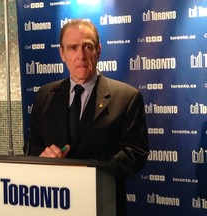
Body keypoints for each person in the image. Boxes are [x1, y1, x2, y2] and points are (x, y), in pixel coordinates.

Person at [27, 19, 149, 216]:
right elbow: (33, 145)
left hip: (102, 204)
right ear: (62, 53)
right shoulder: (45, 94)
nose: (81, 55)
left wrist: (87, 167)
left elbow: (136, 154)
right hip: (52, 203)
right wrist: (43, 155)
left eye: (87, 47)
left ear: (98, 50)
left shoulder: (127, 97)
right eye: (73, 48)